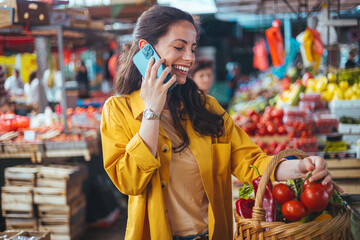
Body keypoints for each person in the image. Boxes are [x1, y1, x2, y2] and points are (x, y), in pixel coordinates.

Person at [100, 6, 341, 240]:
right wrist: (152, 110)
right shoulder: (118, 111)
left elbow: (251, 162)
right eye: (179, 47)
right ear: (146, 50)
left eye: (193, 48)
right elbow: (129, 182)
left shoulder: (205, 107)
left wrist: (300, 168)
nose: (190, 58)